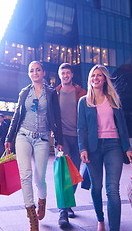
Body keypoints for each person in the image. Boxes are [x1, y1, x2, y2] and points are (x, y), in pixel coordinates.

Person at [5, 61, 63, 231]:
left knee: (39, 178)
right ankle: (32, 218)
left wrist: (59, 140)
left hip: (43, 139)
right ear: (29, 74)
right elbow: (17, 116)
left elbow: (56, 117)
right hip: (23, 135)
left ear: (43, 72)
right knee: (25, 175)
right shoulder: (24, 93)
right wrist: (9, 137)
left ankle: (42, 200)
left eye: (38, 70)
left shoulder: (51, 93)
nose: (35, 73)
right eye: (31, 70)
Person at [77, 64, 132, 231]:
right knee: (96, 187)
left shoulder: (114, 100)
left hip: (114, 146)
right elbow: (81, 128)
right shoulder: (84, 101)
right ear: (90, 79)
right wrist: (83, 149)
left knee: (113, 190)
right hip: (93, 148)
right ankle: (100, 219)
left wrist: (127, 148)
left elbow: (122, 125)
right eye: (93, 75)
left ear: (104, 79)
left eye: (99, 75)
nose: (96, 78)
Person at [55, 63, 86, 228]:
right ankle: (63, 211)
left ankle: (67, 204)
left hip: (79, 138)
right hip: (62, 139)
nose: (65, 75)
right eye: (63, 73)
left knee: (74, 174)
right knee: (63, 174)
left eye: (68, 73)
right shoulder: (55, 93)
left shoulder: (81, 93)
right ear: (59, 75)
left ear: (72, 75)